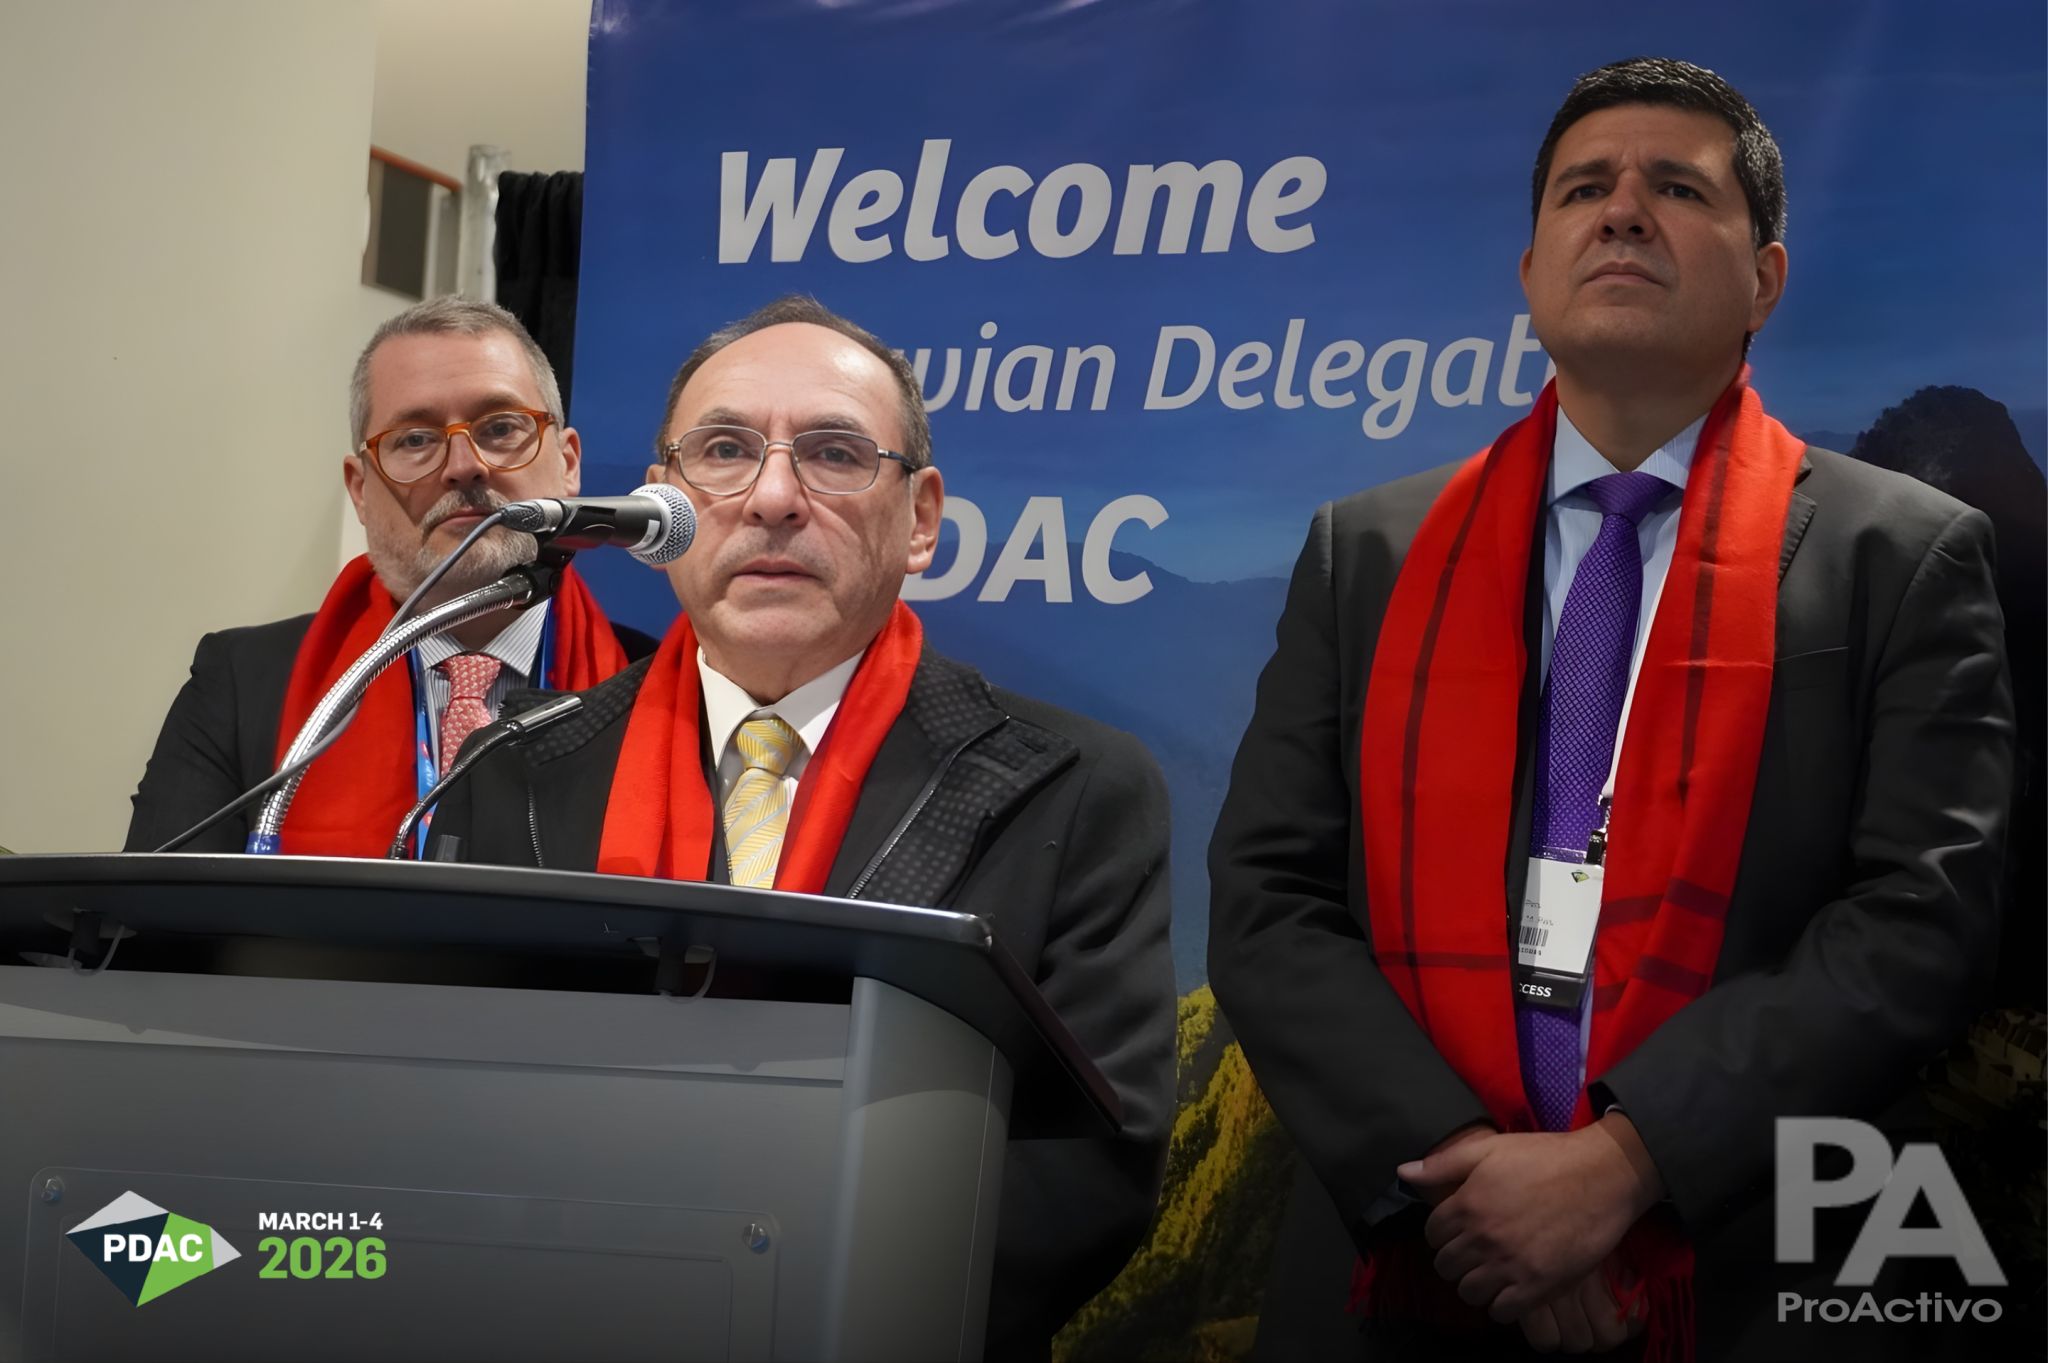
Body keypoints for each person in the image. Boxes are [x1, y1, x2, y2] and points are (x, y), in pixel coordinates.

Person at [1208, 57, 2014, 1362]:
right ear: (1531, 270)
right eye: (1584, 189)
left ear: (1764, 279)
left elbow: (1920, 919)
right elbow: (1268, 897)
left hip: (1747, 1256)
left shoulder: (1900, 554)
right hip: (1411, 1253)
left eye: (1677, 189)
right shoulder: (1368, 552)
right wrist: (1468, 1178)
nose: (1623, 210)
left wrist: (1628, 1160)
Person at [426, 295, 1177, 1358]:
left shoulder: (1070, 786)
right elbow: (461, 1107)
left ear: (921, 519)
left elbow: (1082, 1168)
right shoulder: (515, 769)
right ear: (660, 507)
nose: (773, 498)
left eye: (832, 454)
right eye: (724, 451)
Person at [125, 297, 655, 856]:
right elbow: (157, 907)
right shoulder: (241, 685)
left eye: (500, 428)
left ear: (568, 463)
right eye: (415, 440)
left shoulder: (654, 689)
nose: (464, 466)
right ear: (360, 490)